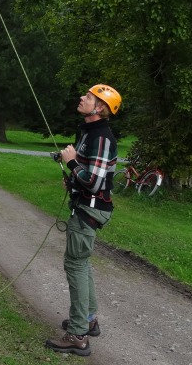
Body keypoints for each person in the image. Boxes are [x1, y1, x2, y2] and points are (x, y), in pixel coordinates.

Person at [45, 84, 121, 357]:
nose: (82, 98)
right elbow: (86, 177)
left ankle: (78, 335)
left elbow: (95, 181)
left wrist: (72, 164)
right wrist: (73, 177)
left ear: (100, 108)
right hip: (86, 205)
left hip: (90, 210)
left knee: (75, 264)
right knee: (82, 263)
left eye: (88, 97)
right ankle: (88, 320)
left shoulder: (101, 137)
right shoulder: (89, 133)